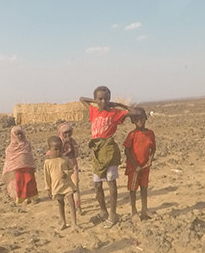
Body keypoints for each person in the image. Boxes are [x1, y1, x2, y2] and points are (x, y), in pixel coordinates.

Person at [79, 86, 136, 228]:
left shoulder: (114, 113)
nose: (103, 101)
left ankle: (113, 214)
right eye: (100, 99)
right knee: (97, 184)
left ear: (110, 99)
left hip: (109, 149)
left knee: (111, 182)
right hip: (96, 150)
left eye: (106, 99)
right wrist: (96, 102)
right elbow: (81, 99)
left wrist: (117, 104)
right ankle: (103, 211)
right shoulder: (93, 111)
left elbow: (133, 111)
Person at [124, 108, 156, 220]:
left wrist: (150, 160)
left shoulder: (150, 134)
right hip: (134, 167)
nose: (140, 121)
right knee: (133, 189)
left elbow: (153, 148)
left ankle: (144, 209)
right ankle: (134, 211)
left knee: (144, 187)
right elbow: (126, 151)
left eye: (142, 118)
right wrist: (134, 165)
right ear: (133, 121)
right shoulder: (132, 135)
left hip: (145, 167)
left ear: (146, 118)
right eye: (137, 119)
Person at [44, 135, 78, 230]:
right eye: (55, 149)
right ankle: (63, 222)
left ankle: (74, 223)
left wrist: (67, 173)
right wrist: (48, 189)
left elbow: (72, 169)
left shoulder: (65, 159)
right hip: (56, 186)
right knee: (60, 204)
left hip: (67, 185)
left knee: (71, 203)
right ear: (49, 149)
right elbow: (47, 177)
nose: (58, 151)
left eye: (60, 149)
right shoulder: (47, 163)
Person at [2, 125, 39, 204]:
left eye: (21, 133)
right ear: (13, 135)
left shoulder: (27, 144)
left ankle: (33, 197)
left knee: (30, 181)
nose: (20, 136)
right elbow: (9, 160)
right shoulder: (10, 148)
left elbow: (29, 155)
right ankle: (23, 198)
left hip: (27, 167)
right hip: (17, 169)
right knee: (20, 183)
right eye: (17, 134)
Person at [58, 122, 82, 215]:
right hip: (62, 166)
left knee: (75, 185)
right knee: (65, 187)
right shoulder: (58, 143)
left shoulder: (73, 141)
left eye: (69, 132)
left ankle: (78, 206)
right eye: (65, 133)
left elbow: (77, 154)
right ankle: (68, 205)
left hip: (72, 164)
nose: (67, 135)